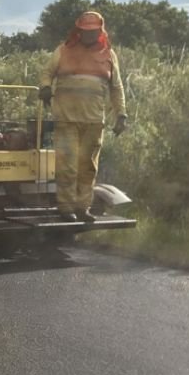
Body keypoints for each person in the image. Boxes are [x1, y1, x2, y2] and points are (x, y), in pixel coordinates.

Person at [39, 11, 128, 222]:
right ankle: (66, 208)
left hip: (94, 120)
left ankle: (82, 208)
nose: (88, 35)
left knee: (88, 166)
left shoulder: (109, 55)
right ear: (78, 31)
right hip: (66, 118)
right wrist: (44, 87)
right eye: (85, 31)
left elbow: (117, 87)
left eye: (93, 31)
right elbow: (47, 73)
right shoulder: (63, 51)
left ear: (100, 31)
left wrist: (121, 115)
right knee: (67, 165)